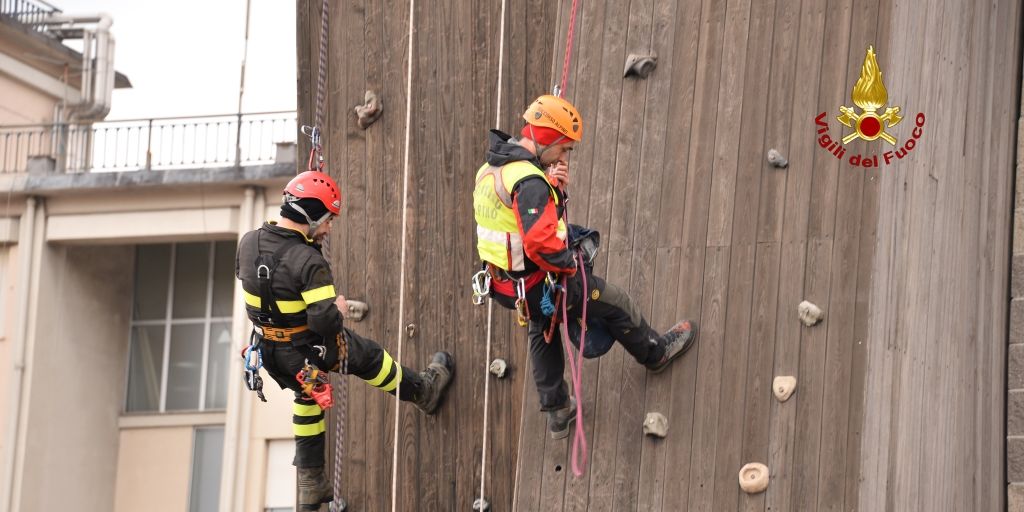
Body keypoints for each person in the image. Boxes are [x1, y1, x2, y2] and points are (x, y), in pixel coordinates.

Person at [472, 94, 698, 439]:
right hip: (540, 282)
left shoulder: (491, 170)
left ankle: (558, 411)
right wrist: (571, 265)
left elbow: (517, 225)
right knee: (615, 301)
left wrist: (554, 190)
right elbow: (541, 242)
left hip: (506, 285)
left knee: (540, 329)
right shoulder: (529, 183)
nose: (563, 157)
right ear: (546, 140)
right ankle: (656, 353)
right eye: (563, 150)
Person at [237, 170, 454, 510]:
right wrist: (337, 309)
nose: (328, 228)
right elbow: (324, 322)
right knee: (368, 356)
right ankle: (423, 391)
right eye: (326, 220)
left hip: (270, 352)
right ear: (309, 216)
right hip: (305, 349)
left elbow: (258, 285)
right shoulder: (309, 261)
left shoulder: (249, 241)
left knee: (305, 394)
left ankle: (310, 482)